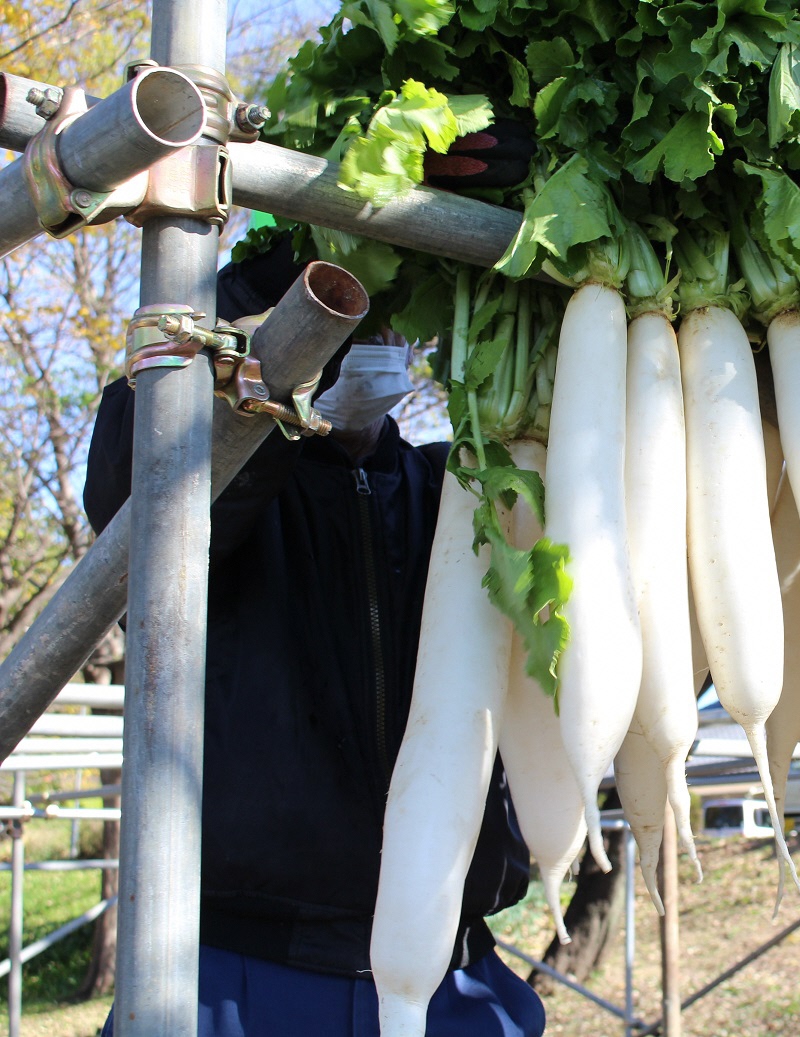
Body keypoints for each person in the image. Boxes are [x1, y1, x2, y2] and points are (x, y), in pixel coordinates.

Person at [85, 126, 545, 1033]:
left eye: (383, 319)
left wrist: (531, 236)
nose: (366, 343)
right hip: (239, 974)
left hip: (455, 969)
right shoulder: (227, 482)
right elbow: (133, 495)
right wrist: (284, 277)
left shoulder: (461, 492)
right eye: (343, 314)